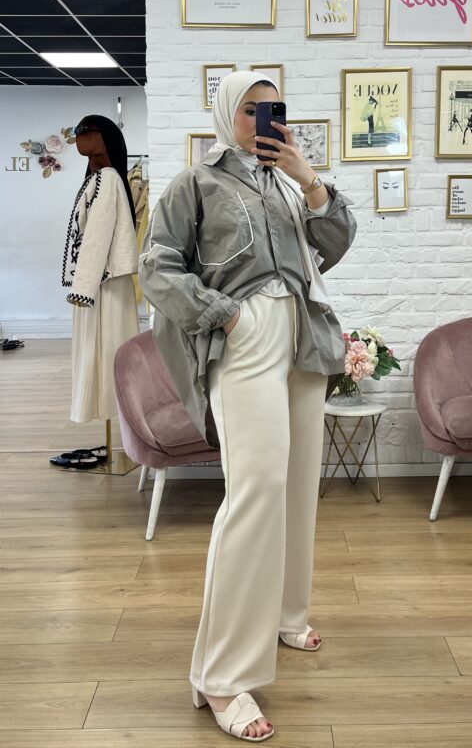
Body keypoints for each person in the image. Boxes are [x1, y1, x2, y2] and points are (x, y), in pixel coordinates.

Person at [139, 71, 356, 742]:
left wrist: (308, 177)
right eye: (250, 108)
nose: (263, 119)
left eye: (272, 109)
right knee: (256, 491)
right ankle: (223, 673)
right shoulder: (195, 183)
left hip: (305, 337)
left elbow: (336, 243)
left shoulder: (287, 184)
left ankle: (288, 613)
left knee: (296, 486)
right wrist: (225, 315)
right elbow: (156, 268)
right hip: (247, 335)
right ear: (225, 112)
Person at [61, 115, 138, 427]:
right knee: (103, 350)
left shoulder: (107, 179)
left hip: (100, 285)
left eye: (85, 131)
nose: (79, 135)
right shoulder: (101, 179)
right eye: (77, 130)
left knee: (106, 349)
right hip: (99, 282)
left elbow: (97, 235)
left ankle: (112, 410)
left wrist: (83, 288)